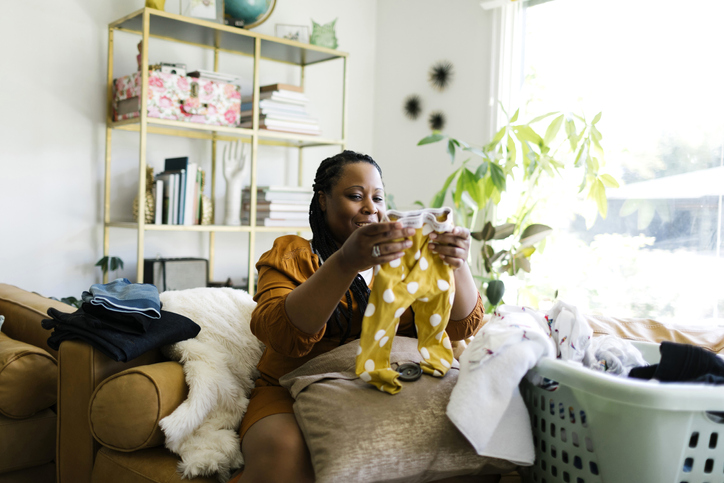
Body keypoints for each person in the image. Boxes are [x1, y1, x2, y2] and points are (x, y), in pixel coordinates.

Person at [237, 150, 490, 483]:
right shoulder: (293, 255)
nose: (371, 207)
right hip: (291, 387)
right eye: (355, 196)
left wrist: (457, 264)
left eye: (378, 197)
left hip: (391, 385)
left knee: (469, 436)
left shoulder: (410, 259)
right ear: (323, 200)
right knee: (285, 450)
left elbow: (462, 325)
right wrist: (346, 262)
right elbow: (281, 334)